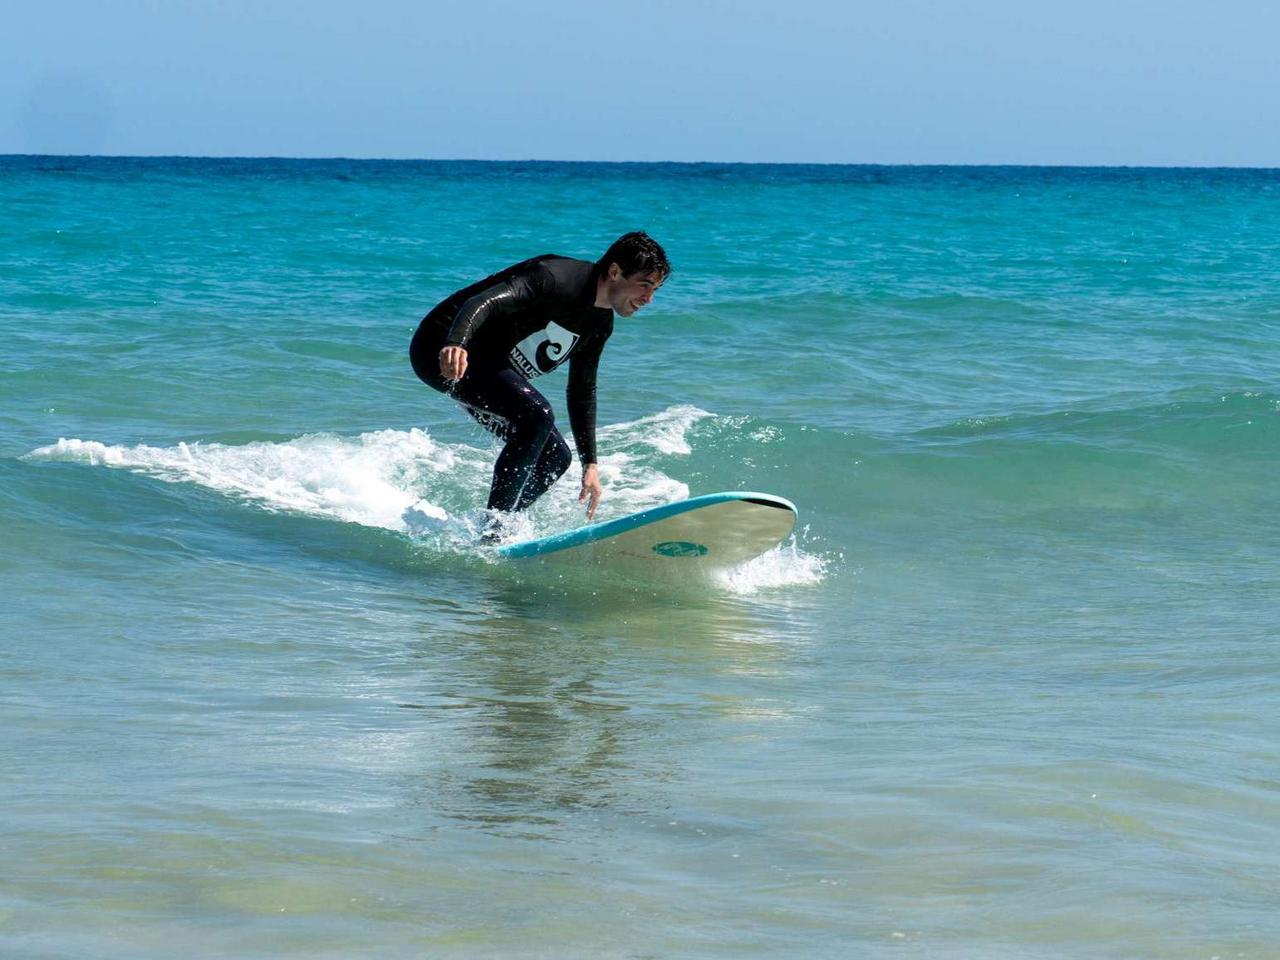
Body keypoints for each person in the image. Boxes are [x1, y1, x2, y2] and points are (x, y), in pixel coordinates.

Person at [409, 231, 670, 538]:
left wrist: (591, 464)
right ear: (614, 272)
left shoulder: (600, 323)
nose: (649, 299)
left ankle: (495, 526)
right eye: (645, 285)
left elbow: (582, 390)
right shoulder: (556, 277)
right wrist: (456, 343)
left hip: (490, 366)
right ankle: (495, 530)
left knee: (556, 456)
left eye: (656, 290)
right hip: (440, 350)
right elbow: (485, 301)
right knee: (537, 416)